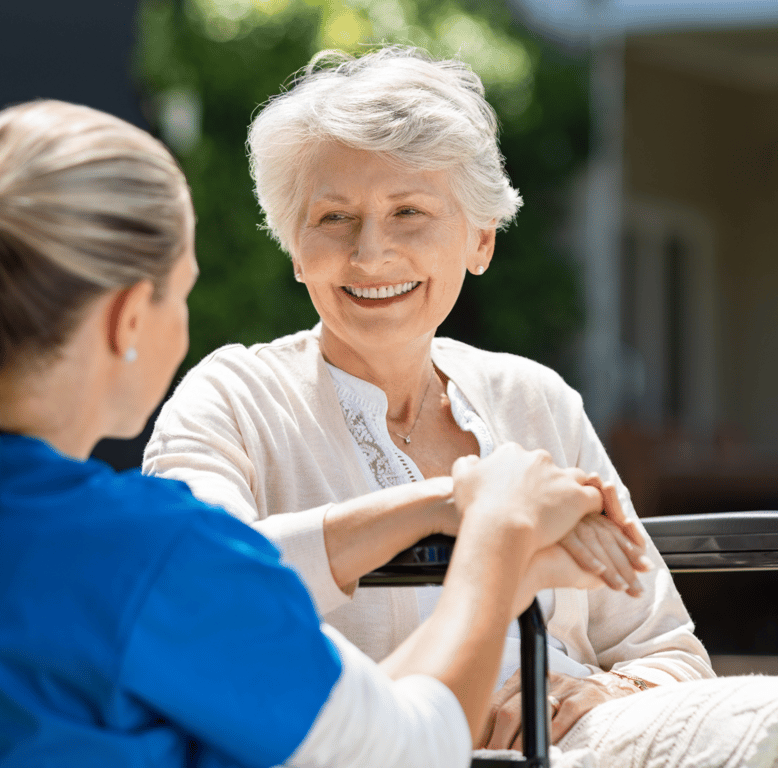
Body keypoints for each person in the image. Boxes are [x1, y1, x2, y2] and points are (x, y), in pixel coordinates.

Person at [0, 99, 633, 767]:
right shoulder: (149, 557)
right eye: (183, 293)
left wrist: (445, 511)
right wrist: (494, 528)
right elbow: (410, 749)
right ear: (128, 319)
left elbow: (363, 729)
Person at [142, 46, 715, 749]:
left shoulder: (536, 401)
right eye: (333, 218)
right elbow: (197, 592)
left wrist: (592, 693)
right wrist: (454, 505)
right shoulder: (229, 398)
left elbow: (670, 654)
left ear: (480, 240)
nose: (370, 254)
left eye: (408, 212)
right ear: (295, 248)